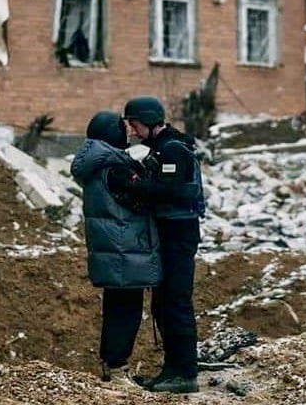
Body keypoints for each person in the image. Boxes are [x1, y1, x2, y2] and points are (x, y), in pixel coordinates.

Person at [70, 111, 162, 387]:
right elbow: (141, 201)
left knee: (115, 310)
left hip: (113, 251)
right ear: (113, 134)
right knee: (126, 312)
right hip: (125, 252)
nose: (128, 133)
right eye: (123, 129)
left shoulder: (96, 166)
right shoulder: (116, 168)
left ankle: (111, 367)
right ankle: (119, 371)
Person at [122, 96, 202, 394]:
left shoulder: (172, 150)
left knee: (176, 304)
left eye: (135, 122)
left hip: (178, 236)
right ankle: (172, 369)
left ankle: (184, 373)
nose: (132, 128)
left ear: (149, 120)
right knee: (163, 304)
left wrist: (132, 184)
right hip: (169, 235)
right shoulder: (164, 147)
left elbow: (167, 190)